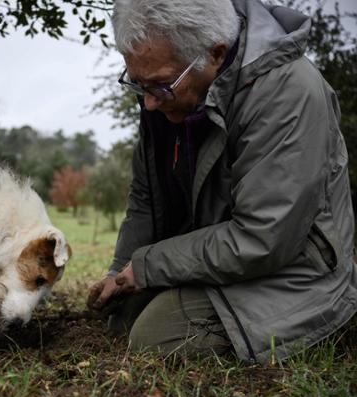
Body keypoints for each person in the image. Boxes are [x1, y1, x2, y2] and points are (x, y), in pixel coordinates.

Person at [87, 0, 357, 365]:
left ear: (214, 53)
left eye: (160, 87)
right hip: (222, 255)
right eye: (138, 84)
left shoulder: (288, 92)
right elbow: (146, 199)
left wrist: (149, 266)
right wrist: (118, 272)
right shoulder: (166, 88)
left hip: (295, 269)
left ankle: (336, 317)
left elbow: (263, 237)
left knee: (155, 335)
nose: (149, 103)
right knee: (122, 315)